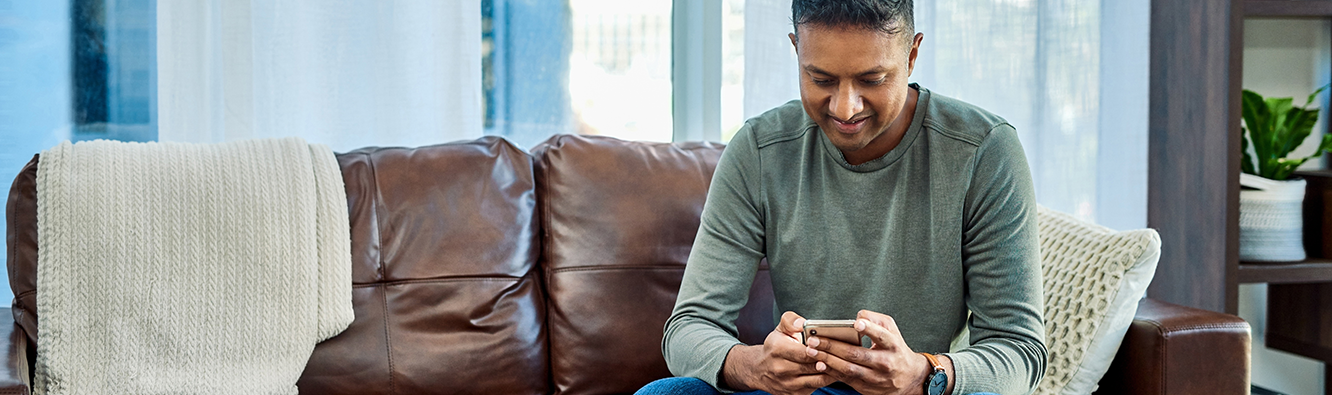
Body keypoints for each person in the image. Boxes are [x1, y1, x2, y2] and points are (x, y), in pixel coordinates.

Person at [637, 1, 1046, 394]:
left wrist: (924, 375)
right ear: (796, 49)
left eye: (872, 80)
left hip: (917, 394)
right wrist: (755, 367)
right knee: (668, 392)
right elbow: (688, 327)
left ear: (912, 55)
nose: (845, 108)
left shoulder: (984, 150)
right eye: (821, 79)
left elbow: (1020, 351)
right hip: (801, 394)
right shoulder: (760, 150)